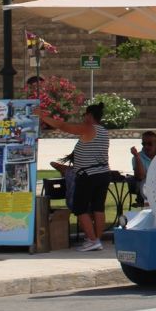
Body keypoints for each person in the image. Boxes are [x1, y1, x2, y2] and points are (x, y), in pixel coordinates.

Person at [41, 103, 110, 252]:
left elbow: (63, 126)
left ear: (90, 116)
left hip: (88, 175)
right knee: (98, 208)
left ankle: (92, 239)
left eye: (85, 115)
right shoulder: (104, 131)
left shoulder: (89, 128)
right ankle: (96, 239)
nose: (83, 118)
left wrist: (42, 116)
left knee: (80, 208)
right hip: (103, 173)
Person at [131, 131, 156, 205]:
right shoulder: (137, 157)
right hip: (145, 190)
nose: (146, 146)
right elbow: (140, 177)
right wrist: (137, 157)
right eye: (144, 144)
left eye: (149, 144)